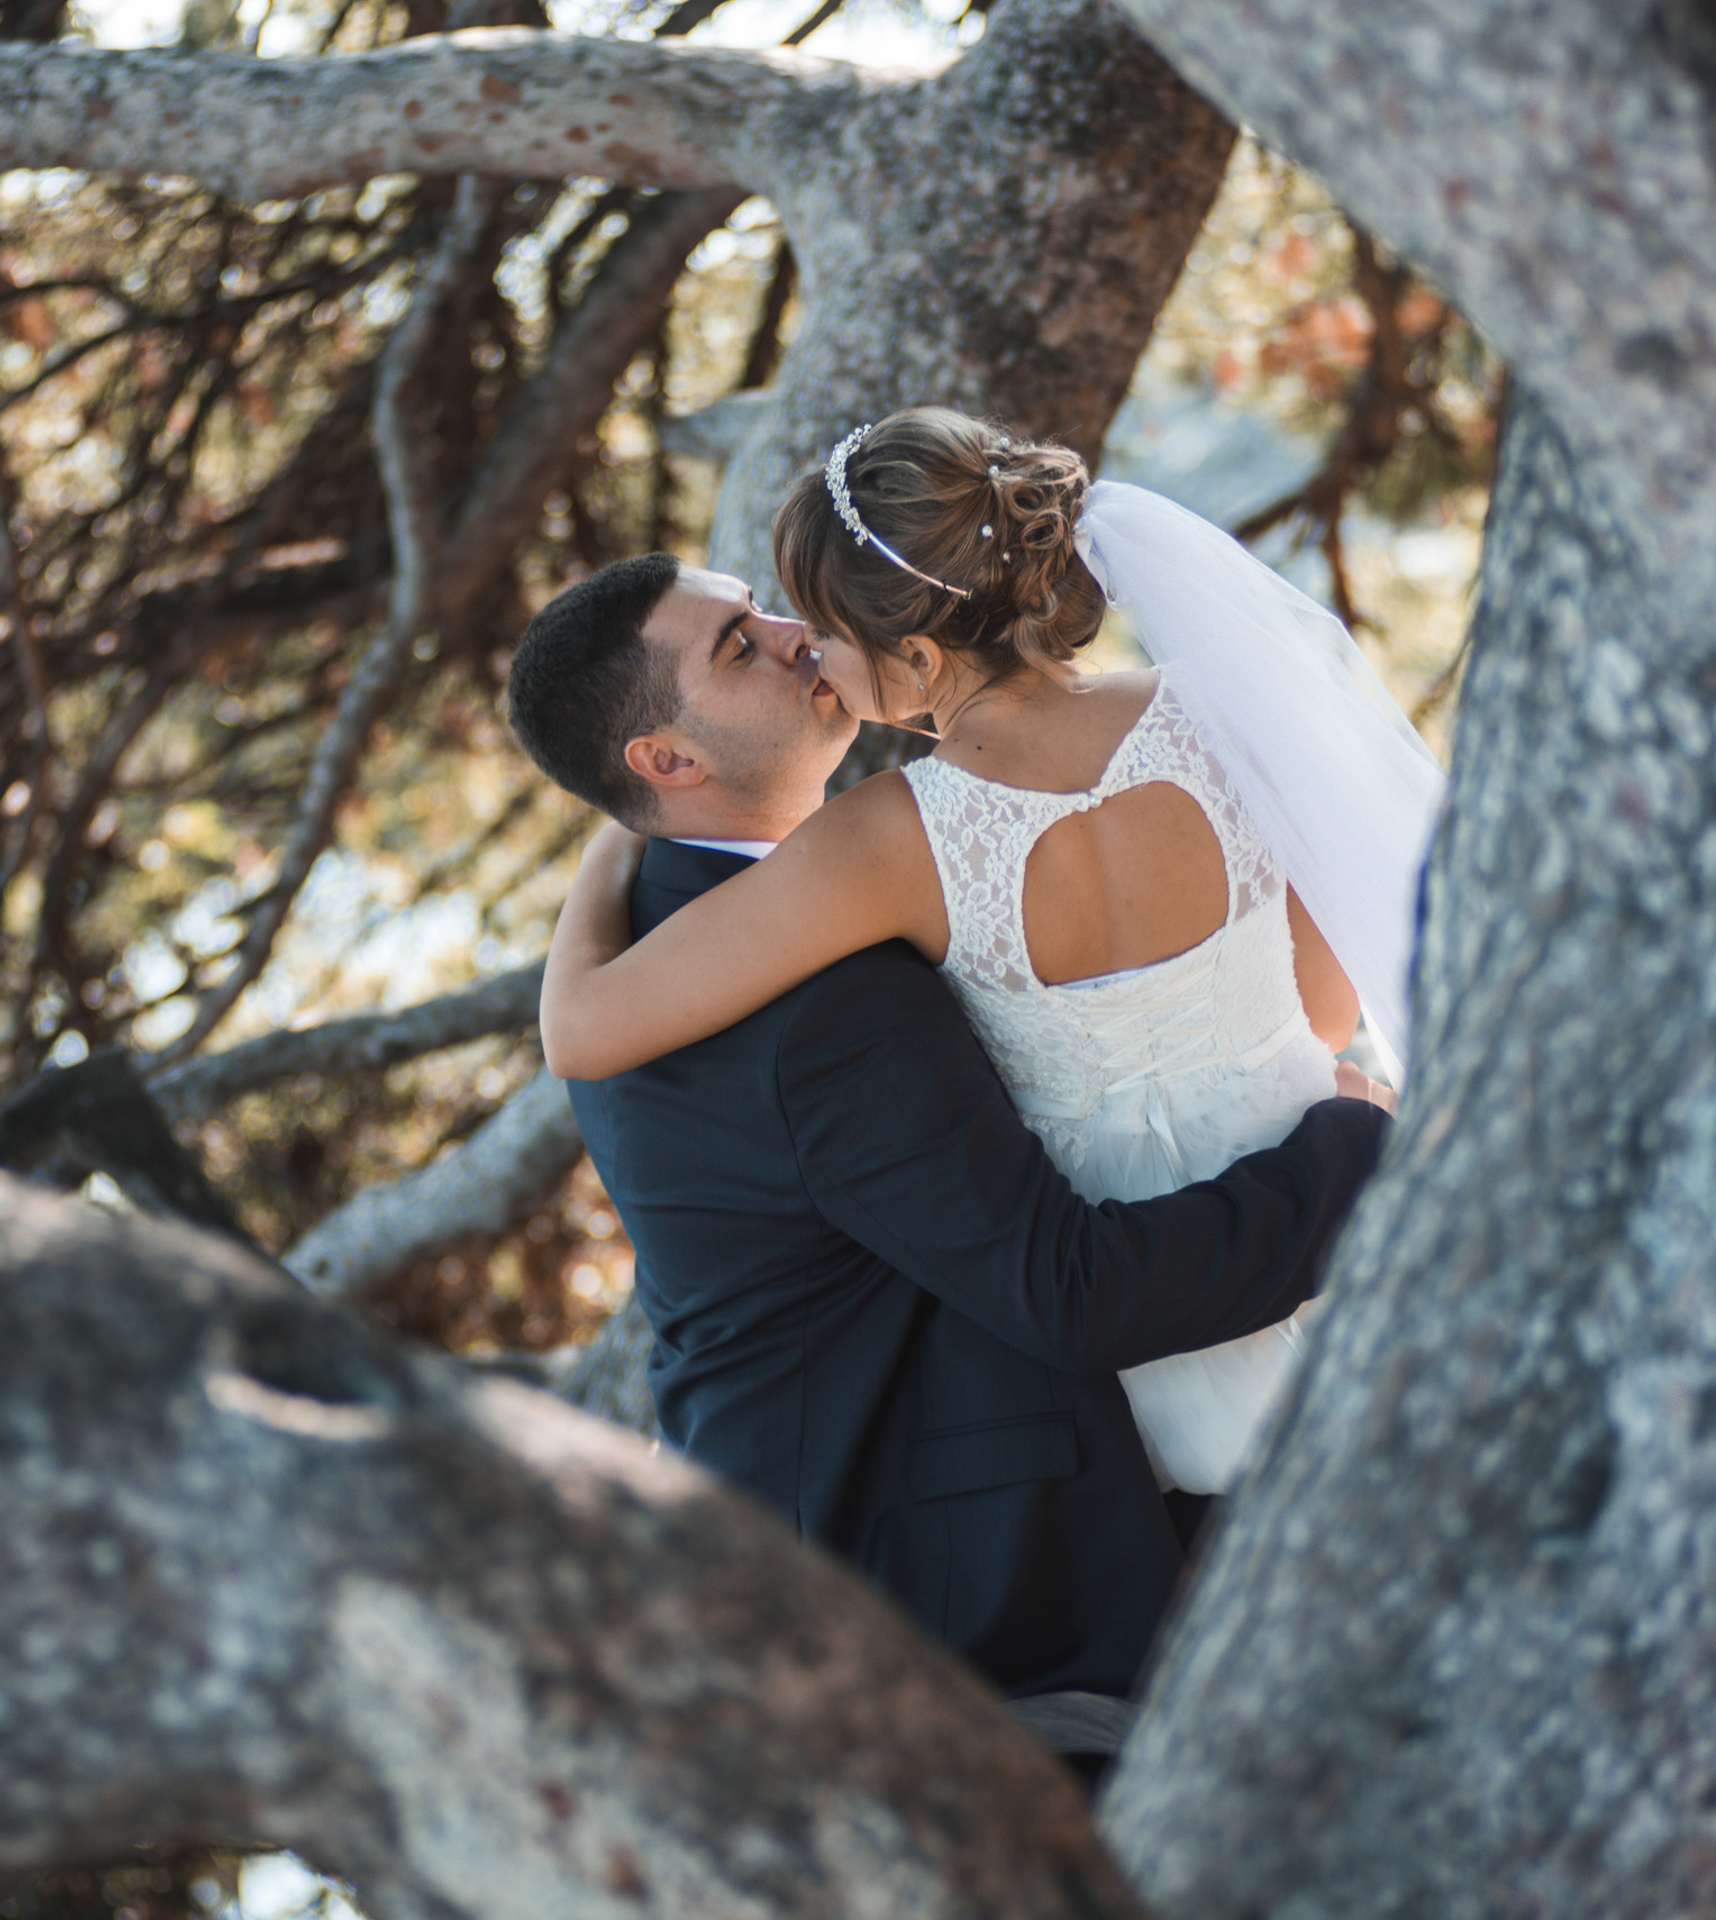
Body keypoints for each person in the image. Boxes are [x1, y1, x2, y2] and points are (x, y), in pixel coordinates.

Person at [506, 547, 1391, 1733]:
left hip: (792, 1529)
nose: (793, 633)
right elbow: (1068, 1291)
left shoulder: (661, 927)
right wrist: (1356, 1152)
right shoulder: (818, 1003)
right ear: (668, 762)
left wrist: (609, 841)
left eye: (760, 606)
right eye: (739, 646)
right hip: (929, 1601)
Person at [538, 408, 1444, 1495]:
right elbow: (1321, 1009)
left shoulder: (885, 842)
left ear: (917, 657)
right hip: (1352, 1240)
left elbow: (582, 1030)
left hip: (1153, 1353)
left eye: (821, 627)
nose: (807, 649)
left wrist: (614, 843)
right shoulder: (1219, 715)